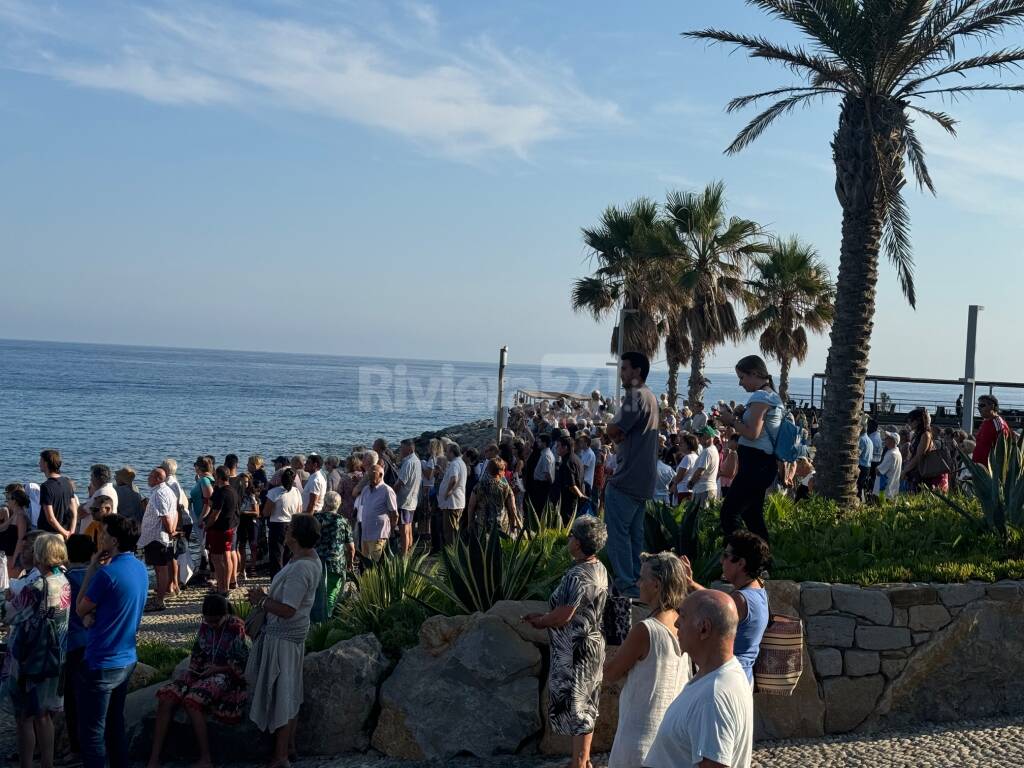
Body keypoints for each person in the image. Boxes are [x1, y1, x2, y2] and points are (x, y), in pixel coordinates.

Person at [524, 516, 609, 768]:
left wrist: (541, 622)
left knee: (578, 706)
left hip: (574, 650)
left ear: (580, 543)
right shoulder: (599, 568)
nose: (568, 539)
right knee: (586, 704)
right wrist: (545, 617)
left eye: (572, 535)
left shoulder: (576, 574)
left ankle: (579, 763)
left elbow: (563, 615)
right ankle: (583, 760)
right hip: (591, 644)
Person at [644, 590, 754, 768]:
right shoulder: (724, 674)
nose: (677, 622)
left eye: (684, 616)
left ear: (704, 628)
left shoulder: (712, 698)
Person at [246, 514, 323, 768]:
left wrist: (261, 600)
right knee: (290, 691)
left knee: (282, 694)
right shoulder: (304, 559)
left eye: (289, 528)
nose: (285, 530)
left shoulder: (301, 568)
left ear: (296, 536)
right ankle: (288, 748)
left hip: (284, 638)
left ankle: (280, 757)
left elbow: (289, 609)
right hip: (291, 636)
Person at [604, 552, 691, 768]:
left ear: (656, 585)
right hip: (672, 741)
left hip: (640, 741)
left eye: (643, 578)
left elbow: (611, 673)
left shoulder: (646, 630)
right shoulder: (686, 625)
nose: (638, 583)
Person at [75, 515, 148, 768]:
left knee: (92, 732)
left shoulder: (106, 575)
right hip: (127, 657)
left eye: (103, 534)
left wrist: (92, 569)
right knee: (115, 724)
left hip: (102, 660)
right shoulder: (139, 567)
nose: (99, 537)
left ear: (114, 540)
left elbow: (80, 609)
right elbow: (116, 606)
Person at [148, 594, 252, 768]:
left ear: (225, 615)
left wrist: (217, 669)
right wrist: (197, 668)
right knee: (166, 698)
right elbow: (199, 651)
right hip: (203, 670)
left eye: (215, 621)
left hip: (225, 674)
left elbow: (242, 662)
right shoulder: (206, 626)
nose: (211, 625)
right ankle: (154, 758)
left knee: (192, 701)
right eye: (208, 621)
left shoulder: (236, 628)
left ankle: (206, 758)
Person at [2, 534, 71, 768]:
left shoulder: (37, 586)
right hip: (55, 656)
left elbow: (9, 614)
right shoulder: (63, 580)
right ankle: (47, 763)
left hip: (30, 657)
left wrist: (8, 597)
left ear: (41, 555)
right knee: (45, 715)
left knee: (24, 717)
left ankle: (26, 764)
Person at [604, 352, 659, 598]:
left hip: (626, 479)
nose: (621, 373)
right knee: (635, 537)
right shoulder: (650, 396)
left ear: (637, 371)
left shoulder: (635, 396)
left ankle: (626, 585)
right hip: (643, 480)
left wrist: (611, 430)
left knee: (618, 536)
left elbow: (613, 429)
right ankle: (639, 582)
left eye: (624, 368)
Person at [717, 355, 783, 542]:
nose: (740, 383)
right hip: (762, 464)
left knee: (729, 515)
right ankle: (762, 563)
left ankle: (741, 558)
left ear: (754, 374)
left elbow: (752, 433)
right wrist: (741, 415)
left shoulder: (761, 396)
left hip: (756, 464)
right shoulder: (771, 396)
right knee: (752, 517)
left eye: (742, 377)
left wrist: (731, 420)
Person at [63, 534, 96, 766]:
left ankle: (76, 748)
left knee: (72, 699)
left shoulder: (67, 579)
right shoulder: (97, 576)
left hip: (73, 642)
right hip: (95, 641)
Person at [139, 468, 178, 611]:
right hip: (159, 536)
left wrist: (170, 531)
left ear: (157, 479)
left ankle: (160, 600)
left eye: (150, 476)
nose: (148, 478)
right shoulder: (168, 491)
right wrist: (172, 530)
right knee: (161, 568)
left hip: (156, 536)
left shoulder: (159, 493)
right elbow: (175, 512)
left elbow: (165, 516)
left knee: (160, 569)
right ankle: (162, 594)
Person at [314, 491, 355, 616]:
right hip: (336, 563)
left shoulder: (316, 518)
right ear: (339, 505)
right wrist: (350, 563)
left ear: (325, 504)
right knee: (331, 594)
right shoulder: (343, 521)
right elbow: (351, 548)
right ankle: (326, 621)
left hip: (317, 562)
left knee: (316, 595)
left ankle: (315, 623)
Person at [262, 468, 303, 577]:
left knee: (276, 556)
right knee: (289, 555)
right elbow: (299, 510)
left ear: (280, 478)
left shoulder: (273, 492)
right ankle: (288, 578)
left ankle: (276, 581)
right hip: (292, 524)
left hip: (277, 525)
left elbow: (266, 512)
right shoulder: (297, 491)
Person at [207, 467, 239, 594]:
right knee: (227, 557)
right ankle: (227, 584)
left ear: (218, 477)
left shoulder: (221, 493)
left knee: (216, 559)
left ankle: (222, 587)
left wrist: (207, 525)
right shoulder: (233, 491)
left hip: (219, 529)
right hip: (230, 527)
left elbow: (215, 514)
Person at [357, 463, 398, 563]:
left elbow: (394, 514)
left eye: (372, 474)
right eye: (368, 474)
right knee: (365, 564)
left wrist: (391, 531)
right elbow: (364, 508)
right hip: (365, 534)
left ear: (380, 475)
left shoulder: (387, 490)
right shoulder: (366, 489)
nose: (369, 476)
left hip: (378, 534)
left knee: (378, 563)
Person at [467, 458, 520, 535]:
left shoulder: (478, 486)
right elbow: (513, 508)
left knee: (484, 546)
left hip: (482, 525)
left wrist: (470, 523)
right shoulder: (506, 487)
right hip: (501, 525)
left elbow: (471, 506)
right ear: (501, 471)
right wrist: (513, 524)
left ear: (488, 469)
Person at [903, 407, 948, 493]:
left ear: (918, 421)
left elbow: (918, 456)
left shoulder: (925, 435)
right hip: (916, 471)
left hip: (923, 474)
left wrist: (905, 470)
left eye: (911, 421)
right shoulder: (916, 434)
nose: (909, 423)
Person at [38, 448, 78, 539]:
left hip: (48, 534)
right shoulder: (67, 482)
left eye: (40, 461)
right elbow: (74, 511)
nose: (39, 464)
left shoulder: (46, 486)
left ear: (46, 463)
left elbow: (50, 518)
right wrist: (71, 531)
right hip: (65, 531)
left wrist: (65, 533)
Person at [394, 439, 422, 554]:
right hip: (412, 499)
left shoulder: (409, 463)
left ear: (409, 449)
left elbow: (401, 482)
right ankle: (409, 550)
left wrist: (391, 494)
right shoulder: (416, 461)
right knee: (409, 527)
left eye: (402, 448)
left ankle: (404, 554)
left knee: (404, 529)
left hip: (405, 500)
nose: (400, 451)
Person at [438, 443, 467, 546]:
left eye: (447, 451)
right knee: (454, 528)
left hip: (452, 503)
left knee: (450, 531)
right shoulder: (461, 463)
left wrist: (448, 492)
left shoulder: (455, 464)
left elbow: (454, 479)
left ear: (452, 452)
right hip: (457, 502)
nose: (445, 454)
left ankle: (452, 553)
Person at [553, 436, 587, 524]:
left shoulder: (567, 462)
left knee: (567, 525)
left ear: (565, 448)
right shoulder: (576, 458)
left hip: (568, 502)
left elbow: (571, 485)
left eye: (558, 446)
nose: (556, 448)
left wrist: (581, 497)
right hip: (575, 500)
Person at [973, 395, 1011, 465]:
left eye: (982, 405)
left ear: (992, 406)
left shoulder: (998, 424)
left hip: (989, 471)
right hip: (978, 468)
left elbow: (1004, 450)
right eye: (978, 405)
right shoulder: (986, 421)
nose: (978, 408)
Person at [689, 427, 721, 509]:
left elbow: (700, 471)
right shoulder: (712, 450)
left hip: (703, 490)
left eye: (701, 435)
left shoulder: (707, 451)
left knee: (701, 517)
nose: (699, 438)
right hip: (707, 489)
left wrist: (691, 483)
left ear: (708, 436)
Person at [2, 486, 31, 579]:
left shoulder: (20, 516)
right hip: (9, 554)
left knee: (14, 582)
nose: (7, 501)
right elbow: (3, 527)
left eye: (8, 499)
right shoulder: (15, 514)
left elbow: (21, 539)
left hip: (15, 555)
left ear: (15, 501)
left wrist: (15, 558)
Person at [530, 434, 556, 516]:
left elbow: (547, 474)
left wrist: (549, 485)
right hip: (541, 484)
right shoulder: (546, 453)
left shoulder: (546, 455)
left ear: (544, 443)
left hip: (542, 485)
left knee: (539, 507)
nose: (537, 443)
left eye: (539, 442)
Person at [670, 434, 701, 504]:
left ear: (688, 445)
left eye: (682, 443)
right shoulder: (696, 456)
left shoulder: (687, 458)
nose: (679, 444)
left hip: (683, 491)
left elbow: (680, 476)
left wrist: (674, 484)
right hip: (690, 490)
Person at [874, 431, 903, 501]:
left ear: (892, 441)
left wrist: (876, 468)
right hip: (891, 491)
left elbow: (879, 471)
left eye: (888, 438)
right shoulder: (897, 453)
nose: (885, 439)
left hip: (884, 491)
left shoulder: (891, 454)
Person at [857, 426, 874, 501]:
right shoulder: (869, 440)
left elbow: (858, 453)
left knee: (858, 487)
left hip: (861, 466)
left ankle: (859, 500)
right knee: (864, 486)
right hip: (868, 466)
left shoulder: (861, 439)